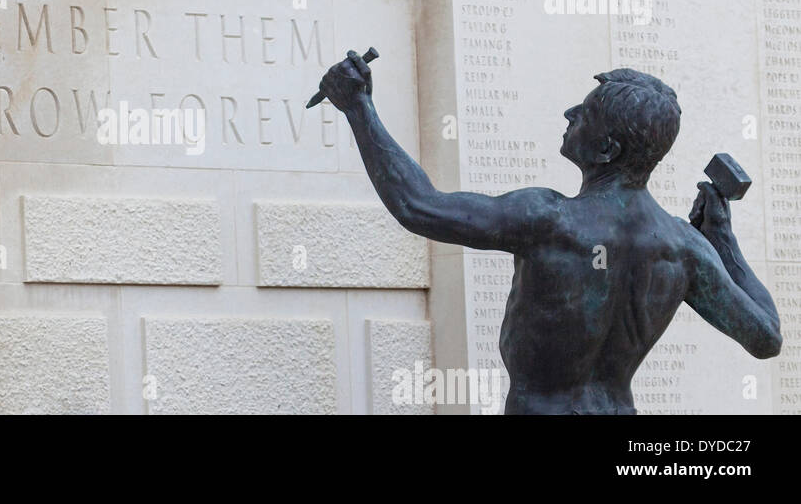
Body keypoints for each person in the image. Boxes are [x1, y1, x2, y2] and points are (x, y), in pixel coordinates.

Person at [317, 51, 782, 414]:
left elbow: (419, 206)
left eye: (584, 113)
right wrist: (722, 238)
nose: (568, 113)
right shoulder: (685, 247)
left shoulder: (550, 219)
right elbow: (766, 338)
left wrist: (358, 107)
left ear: (606, 148)